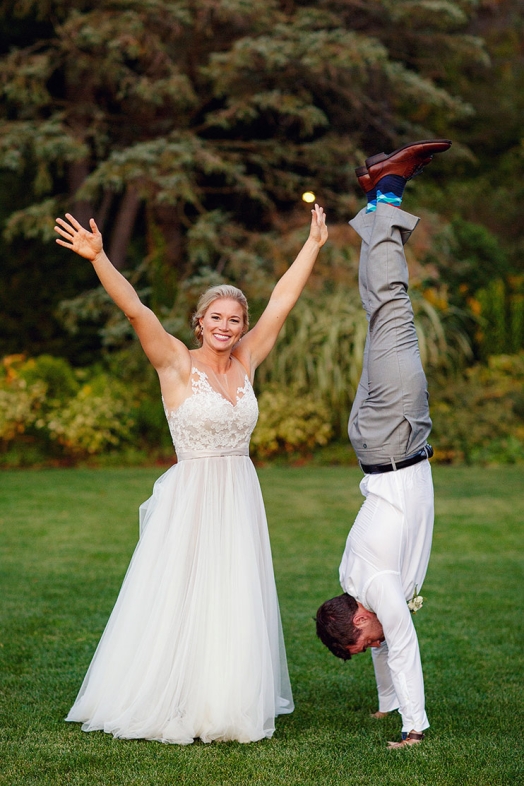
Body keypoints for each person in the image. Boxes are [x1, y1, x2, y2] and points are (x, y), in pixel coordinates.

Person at [54, 203, 328, 744]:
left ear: (242, 326)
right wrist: (100, 257)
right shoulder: (176, 363)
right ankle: (169, 695)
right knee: (184, 595)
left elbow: (282, 300)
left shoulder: (247, 360)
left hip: (240, 495)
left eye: (235, 320)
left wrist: (314, 244)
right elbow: (136, 310)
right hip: (194, 496)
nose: (226, 327)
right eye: (216, 318)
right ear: (199, 322)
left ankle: (223, 701)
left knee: (232, 596)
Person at [315, 140, 452, 749]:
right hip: (376, 441)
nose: (375, 640)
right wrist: (384, 704)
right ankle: (379, 194)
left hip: (395, 431)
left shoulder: (377, 594)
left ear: (360, 615)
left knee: (392, 305)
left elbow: (400, 644)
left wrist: (411, 727)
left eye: (366, 635)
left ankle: (388, 189)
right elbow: (379, 644)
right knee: (380, 311)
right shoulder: (353, 585)